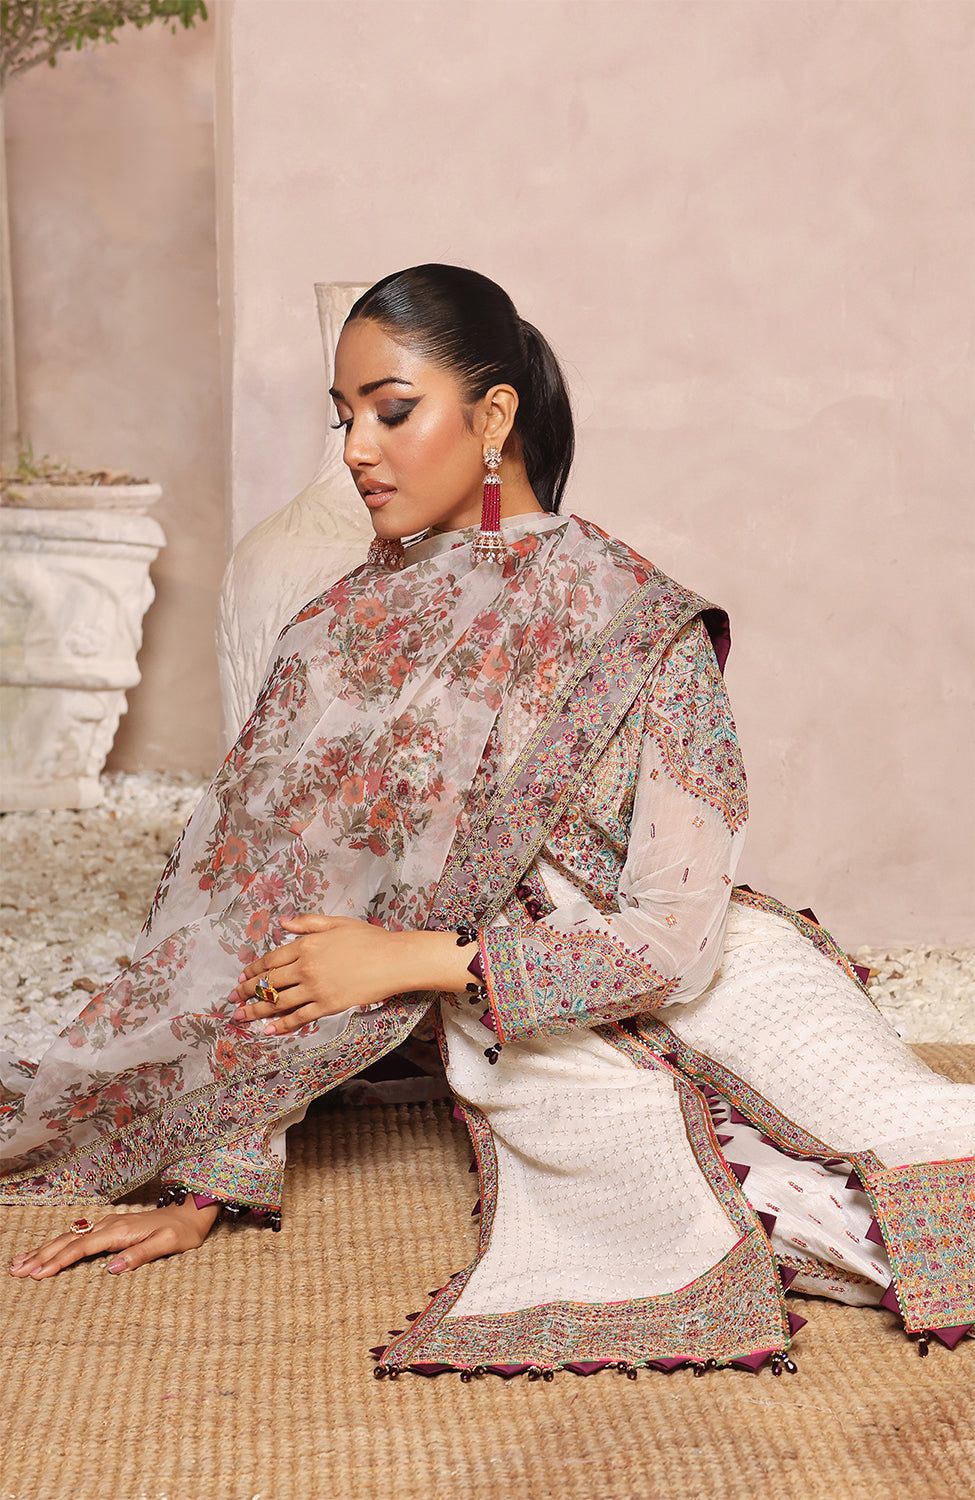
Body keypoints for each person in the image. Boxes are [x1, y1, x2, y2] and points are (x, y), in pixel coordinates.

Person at [4, 266, 972, 1379]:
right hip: (523, 1040)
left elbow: (674, 938)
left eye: (392, 411)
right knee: (769, 1217)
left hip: (701, 968)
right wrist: (205, 1180)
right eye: (344, 418)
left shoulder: (634, 619)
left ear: (494, 415)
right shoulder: (337, 631)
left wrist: (416, 958)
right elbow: (258, 918)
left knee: (907, 1133)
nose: (358, 449)